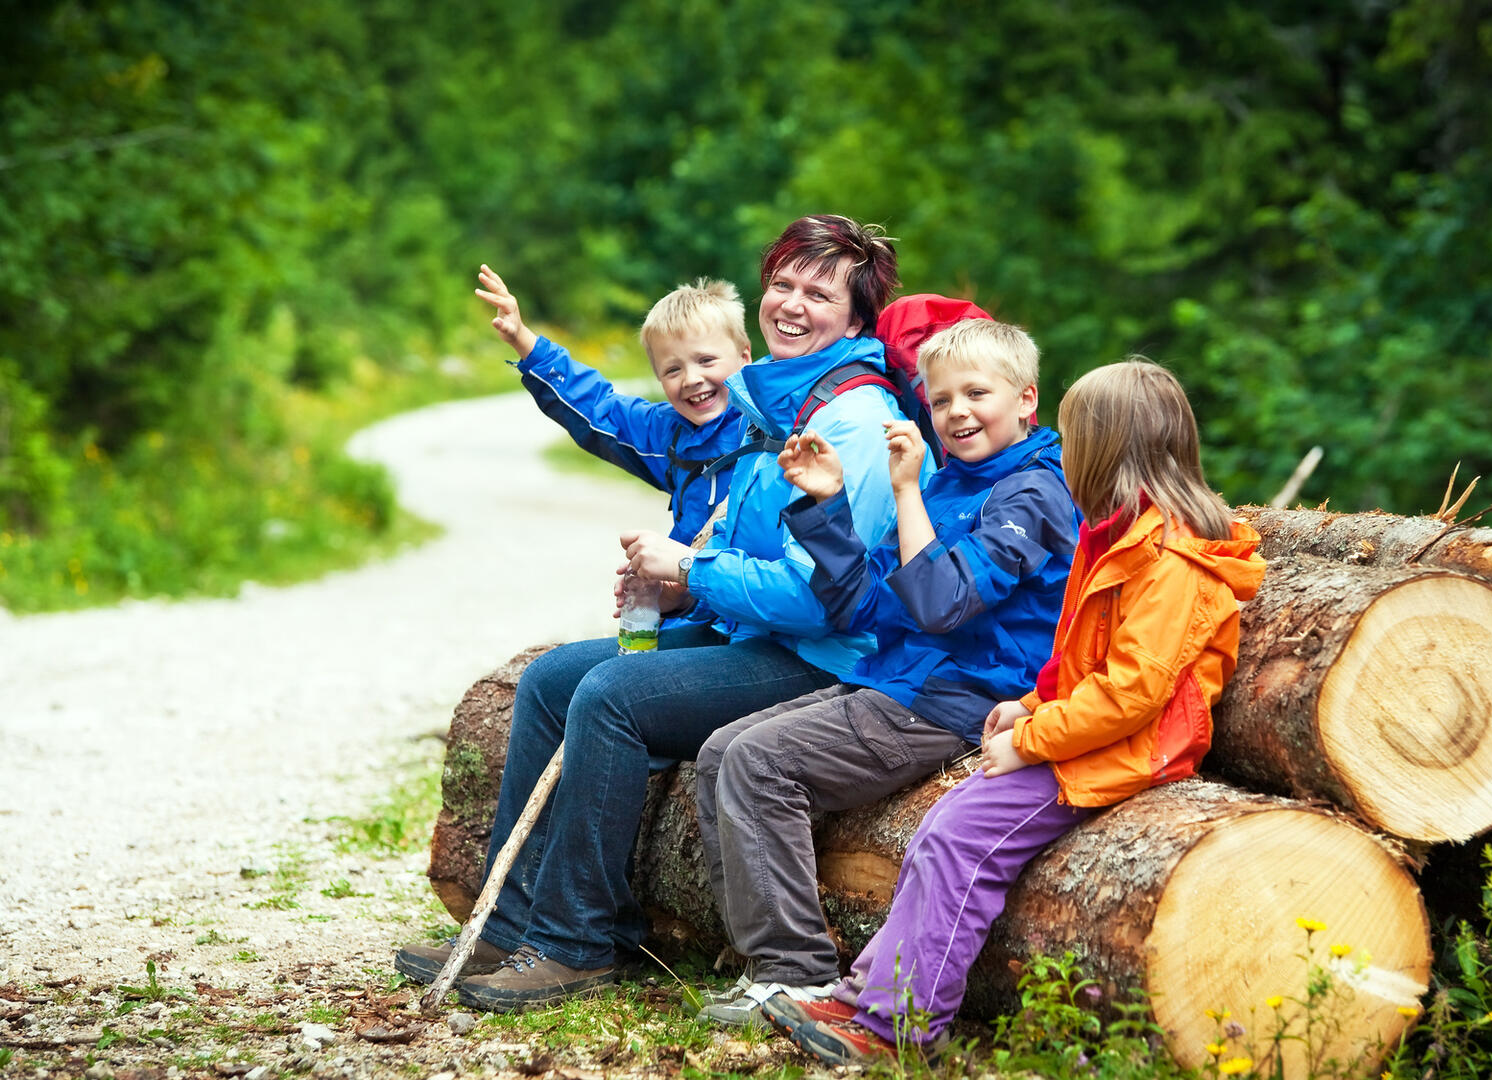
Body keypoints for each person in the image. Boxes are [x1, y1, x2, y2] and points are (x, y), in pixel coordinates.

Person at [394, 215, 936, 1010]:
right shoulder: (779, 397)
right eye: (782, 283)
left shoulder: (848, 420)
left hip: (827, 659)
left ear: (855, 320)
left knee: (612, 698)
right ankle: (509, 926)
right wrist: (692, 583)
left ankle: (575, 944)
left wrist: (691, 568)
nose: (790, 303)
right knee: (551, 679)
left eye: (818, 293)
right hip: (759, 633)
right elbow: (648, 447)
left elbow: (820, 597)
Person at [776, 358, 1267, 1064]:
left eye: (1075, 439)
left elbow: (1132, 695)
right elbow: (1082, 659)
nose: (1066, 455)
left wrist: (1033, 739)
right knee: (942, 827)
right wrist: (1029, 702)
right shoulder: (1125, 536)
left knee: (961, 841)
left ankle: (896, 1030)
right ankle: (867, 994)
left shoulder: (1174, 560)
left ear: (1105, 448)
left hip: (1132, 747)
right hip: (1086, 729)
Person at [689, 318, 1079, 1027]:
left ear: (1026, 399)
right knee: (719, 752)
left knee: (757, 762)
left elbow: (941, 603)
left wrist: (904, 490)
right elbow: (861, 603)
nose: (957, 412)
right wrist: (827, 506)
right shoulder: (953, 484)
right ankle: (764, 961)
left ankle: (797, 978)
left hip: (960, 698)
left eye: (976, 394)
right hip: (899, 677)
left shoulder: (1032, 494)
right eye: (941, 400)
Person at [475, 266, 749, 546]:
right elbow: (598, 408)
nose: (691, 379)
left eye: (706, 361)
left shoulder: (769, 427)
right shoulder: (668, 432)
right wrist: (522, 339)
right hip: (689, 586)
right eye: (673, 370)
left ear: (744, 357)